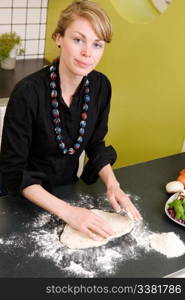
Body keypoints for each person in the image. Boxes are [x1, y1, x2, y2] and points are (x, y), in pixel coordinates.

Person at [0, 0, 142, 241]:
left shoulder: (100, 86)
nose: (88, 53)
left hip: (66, 191)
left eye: (97, 44)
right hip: (21, 200)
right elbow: (14, 172)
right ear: (58, 38)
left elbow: (96, 143)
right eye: (78, 40)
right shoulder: (27, 93)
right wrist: (70, 213)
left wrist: (112, 185)